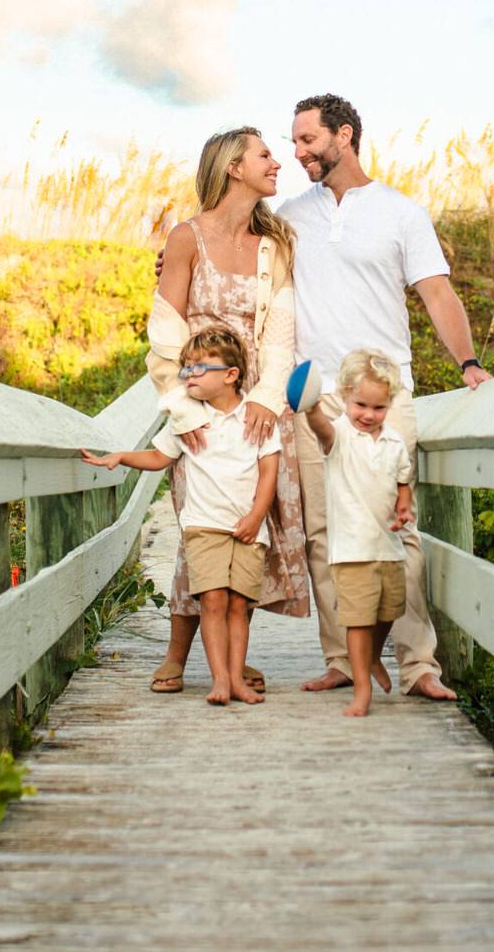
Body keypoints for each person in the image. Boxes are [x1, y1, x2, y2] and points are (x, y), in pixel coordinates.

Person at [282, 93, 492, 700]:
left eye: (308, 140)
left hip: (386, 393)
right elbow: (232, 251)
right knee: (323, 534)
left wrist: (469, 363)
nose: (298, 153)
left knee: (397, 529)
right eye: (292, 142)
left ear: (344, 135)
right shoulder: (290, 215)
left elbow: (436, 294)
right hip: (316, 395)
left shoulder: (402, 213)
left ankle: (418, 664)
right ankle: (344, 660)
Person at [146, 126, 311, 694]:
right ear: (233, 168)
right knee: (202, 526)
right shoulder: (186, 237)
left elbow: (282, 332)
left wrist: (267, 400)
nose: (277, 163)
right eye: (265, 155)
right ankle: (176, 652)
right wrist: (184, 413)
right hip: (199, 410)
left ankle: (230, 659)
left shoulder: (276, 244)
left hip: (257, 408)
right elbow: (165, 336)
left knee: (248, 531)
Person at [84, 326, 277, 706]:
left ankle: (237, 677)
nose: (187, 376)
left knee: (240, 605)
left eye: (197, 369)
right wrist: (122, 456)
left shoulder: (255, 419)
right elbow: (159, 458)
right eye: (185, 368)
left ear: (231, 375)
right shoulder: (187, 421)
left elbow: (269, 471)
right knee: (213, 602)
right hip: (204, 527)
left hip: (249, 528)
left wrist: (257, 516)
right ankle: (220, 680)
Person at [299, 348, 415, 718]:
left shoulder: (395, 442)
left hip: (389, 548)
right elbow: (320, 429)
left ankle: (374, 660)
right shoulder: (340, 437)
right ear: (346, 397)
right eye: (360, 404)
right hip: (352, 550)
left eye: (378, 408)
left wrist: (403, 506)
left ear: (390, 404)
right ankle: (362, 688)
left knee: (388, 612)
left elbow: (402, 482)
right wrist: (311, 407)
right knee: (359, 619)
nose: (368, 415)